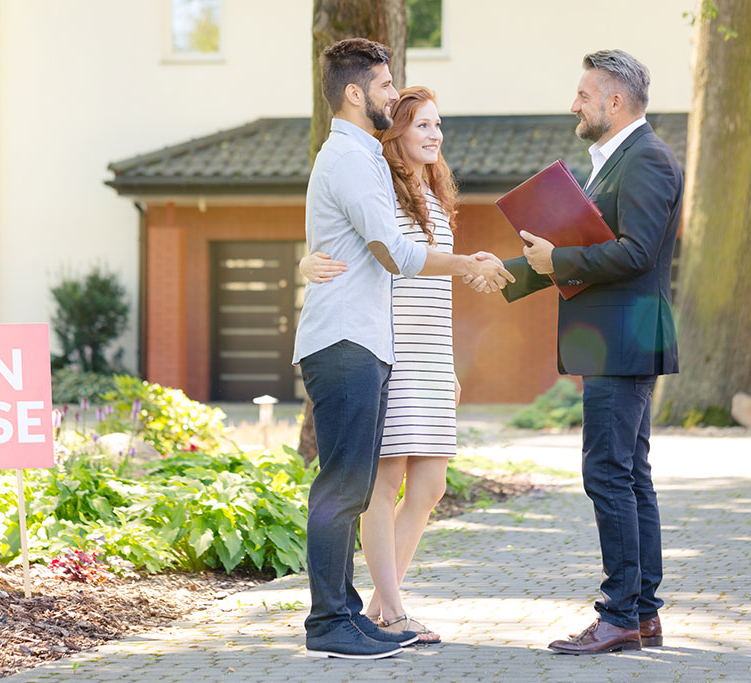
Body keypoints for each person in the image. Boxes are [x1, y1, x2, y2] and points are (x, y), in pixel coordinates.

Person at [294, 38, 513, 660]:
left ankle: (349, 614)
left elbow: (357, 241)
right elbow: (395, 250)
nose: (395, 93)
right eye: (388, 86)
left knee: (356, 485)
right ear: (357, 92)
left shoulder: (358, 157)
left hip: (367, 341)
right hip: (347, 340)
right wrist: (468, 263)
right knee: (344, 486)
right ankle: (329, 622)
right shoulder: (351, 160)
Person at [468, 49, 683, 654]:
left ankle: (620, 615)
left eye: (584, 95)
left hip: (624, 338)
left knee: (610, 475)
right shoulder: (617, 160)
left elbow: (634, 252)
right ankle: (640, 615)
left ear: (615, 102)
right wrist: (508, 270)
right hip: (620, 338)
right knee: (629, 476)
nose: (574, 105)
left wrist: (555, 260)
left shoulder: (645, 160)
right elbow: (576, 245)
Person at [300, 86, 466, 645]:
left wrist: (449, 366)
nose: (433, 135)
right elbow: (363, 251)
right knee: (385, 481)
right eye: (421, 125)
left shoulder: (438, 194)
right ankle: (392, 608)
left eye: (437, 125)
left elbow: (438, 289)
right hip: (388, 342)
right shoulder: (379, 186)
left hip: (431, 352)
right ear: (395, 132)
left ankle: (378, 602)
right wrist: (306, 259)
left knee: (432, 483)